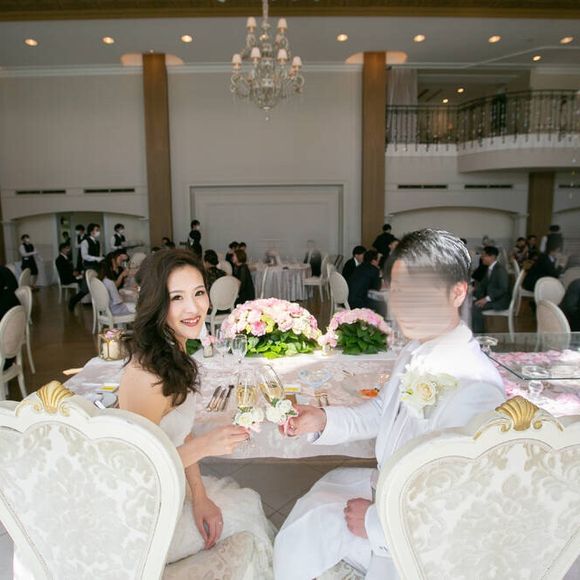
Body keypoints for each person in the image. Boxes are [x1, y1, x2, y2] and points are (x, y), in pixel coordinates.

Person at [273, 229, 505, 579]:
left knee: (306, 534)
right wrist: (321, 419)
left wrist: (375, 523)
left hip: (416, 535)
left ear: (457, 292)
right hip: (392, 487)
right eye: (398, 291)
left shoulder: (476, 386)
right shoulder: (417, 347)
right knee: (311, 508)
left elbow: (460, 499)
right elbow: (383, 411)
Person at [118, 249, 274, 569]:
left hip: (172, 489)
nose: (193, 308)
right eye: (177, 297)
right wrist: (206, 446)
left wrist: (200, 497)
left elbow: (180, 434)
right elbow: (136, 470)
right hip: (147, 518)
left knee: (245, 503)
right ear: (156, 303)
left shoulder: (171, 353)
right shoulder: (148, 376)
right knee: (247, 516)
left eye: (199, 293)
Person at [471, 246, 510, 334]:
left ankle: (479, 334)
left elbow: (503, 289)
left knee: (475, 307)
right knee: (471, 303)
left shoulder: (500, 270)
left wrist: (486, 299)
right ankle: (475, 331)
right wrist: (472, 290)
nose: (481, 257)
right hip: (494, 298)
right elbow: (483, 284)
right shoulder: (490, 268)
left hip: (500, 301)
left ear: (492, 257)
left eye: (484, 255)